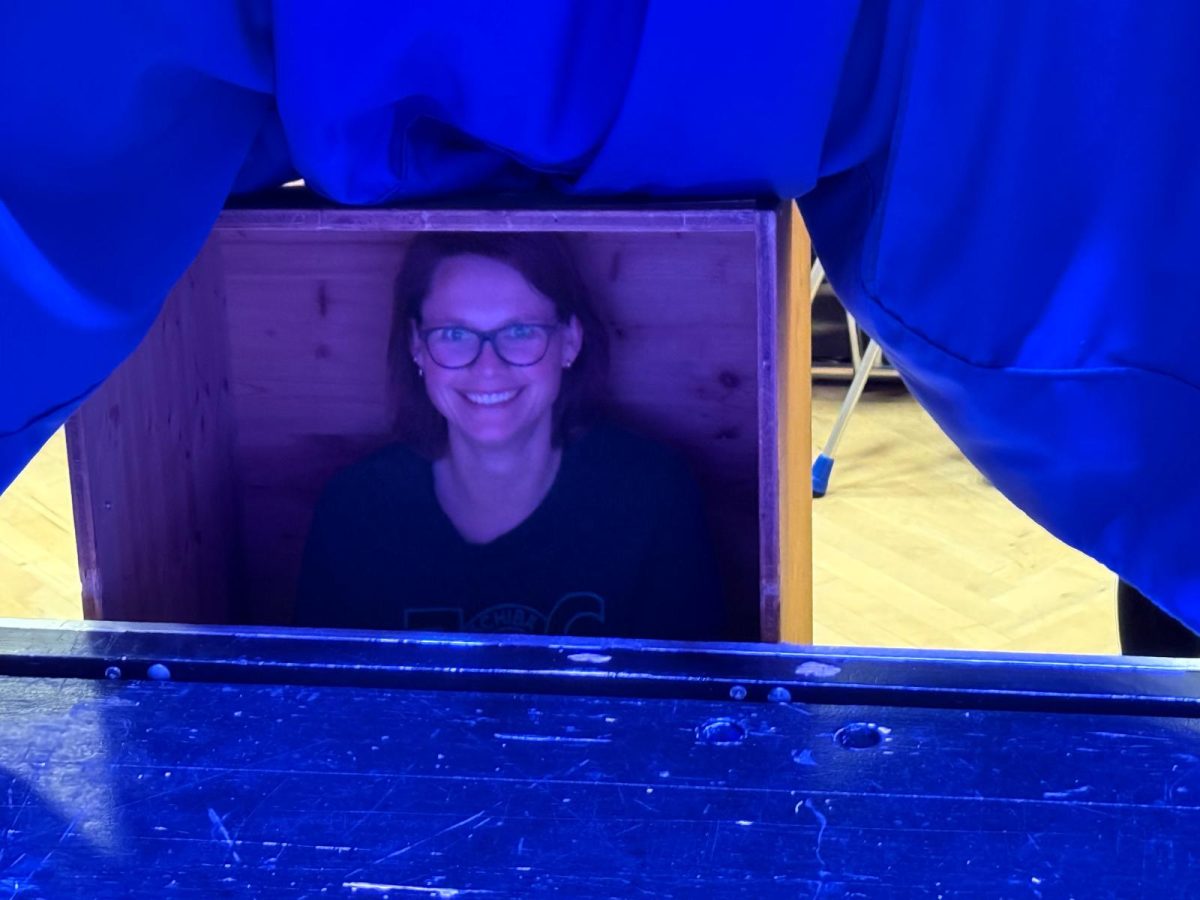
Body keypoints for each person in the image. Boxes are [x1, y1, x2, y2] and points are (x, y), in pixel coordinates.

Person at [294, 232, 727, 641]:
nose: (488, 368)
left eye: (520, 332)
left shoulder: (651, 495)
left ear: (570, 341)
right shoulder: (356, 509)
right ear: (416, 346)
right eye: (454, 334)